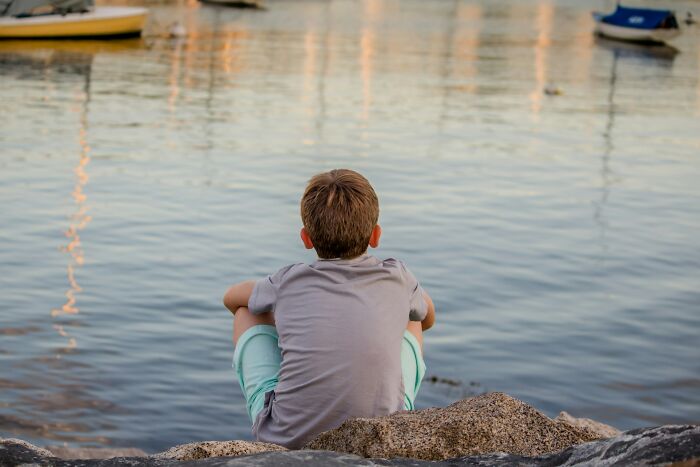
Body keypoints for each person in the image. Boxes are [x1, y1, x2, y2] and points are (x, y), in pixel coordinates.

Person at [223, 168, 436, 449]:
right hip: (383, 434)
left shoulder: (287, 281)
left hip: (286, 438)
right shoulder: (399, 276)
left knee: (246, 311)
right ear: (376, 235)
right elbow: (428, 316)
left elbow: (231, 298)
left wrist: (290, 319)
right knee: (413, 319)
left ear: (306, 238)